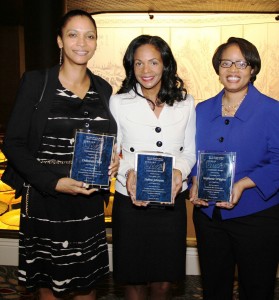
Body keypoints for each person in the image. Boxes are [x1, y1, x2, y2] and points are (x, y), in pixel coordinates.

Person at [2, 9, 118, 300]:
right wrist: (53, 183)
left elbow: (106, 138)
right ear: (59, 41)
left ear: (96, 42)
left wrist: (112, 159)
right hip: (45, 199)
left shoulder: (104, 88)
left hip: (88, 202)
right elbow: (13, 143)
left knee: (86, 284)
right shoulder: (36, 82)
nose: (82, 42)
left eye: (90, 36)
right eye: (73, 34)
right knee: (48, 287)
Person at [189, 37, 279, 300]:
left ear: (253, 69)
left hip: (257, 215)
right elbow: (193, 155)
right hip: (209, 217)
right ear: (218, 69)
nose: (233, 70)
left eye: (241, 63)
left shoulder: (272, 110)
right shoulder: (202, 110)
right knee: (215, 288)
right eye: (226, 63)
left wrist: (242, 184)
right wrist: (194, 179)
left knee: (257, 288)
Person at [109, 35, 196, 299]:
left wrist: (179, 171)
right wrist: (128, 174)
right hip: (129, 201)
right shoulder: (119, 102)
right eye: (138, 64)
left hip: (170, 204)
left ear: (166, 64)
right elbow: (114, 153)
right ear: (131, 67)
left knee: (164, 281)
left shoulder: (185, 102)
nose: (146, 71)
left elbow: (189, 152)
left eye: (153, 62)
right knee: (132, 280)